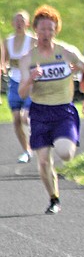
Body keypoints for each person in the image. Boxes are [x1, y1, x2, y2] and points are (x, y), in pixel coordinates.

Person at [18, 5, 84, 214]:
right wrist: (32, 79)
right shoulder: (28, 59)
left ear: (56, 30)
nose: (46, 33)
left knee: (66, 153)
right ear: (35, 30)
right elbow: (22, 92)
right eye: (42, 29)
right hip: (40, 113)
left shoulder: (66, 52)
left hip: (63, 112)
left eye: (50, 29)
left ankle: (59, 144)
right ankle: (54, 198)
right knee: (44, 161)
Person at [4, 10, 37, 163]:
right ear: (12, 23)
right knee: (16, 119)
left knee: (26, 117)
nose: (19, 23)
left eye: (22, 20)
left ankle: (38, 139)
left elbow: (37, 60)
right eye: (16, 20)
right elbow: (3, 63)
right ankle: (26, 150)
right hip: (14, 82)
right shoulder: (7, 41)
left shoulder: (32, 40)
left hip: (29, 82)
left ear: (28, 23)